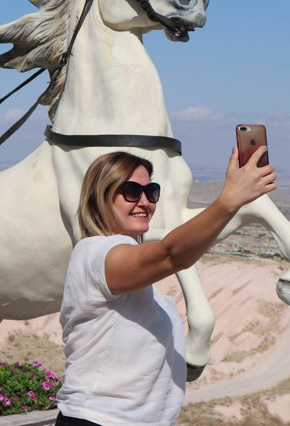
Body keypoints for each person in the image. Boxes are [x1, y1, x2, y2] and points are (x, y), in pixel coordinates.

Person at [55, 147, 276, 426]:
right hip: (99, 419)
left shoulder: (126, 267)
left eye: (152, 192)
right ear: (100, 196)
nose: (145, 202)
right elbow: (171, 254)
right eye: (132, 191)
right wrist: (229, 201)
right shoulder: (95, 253)